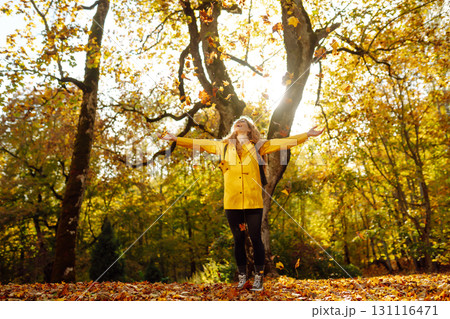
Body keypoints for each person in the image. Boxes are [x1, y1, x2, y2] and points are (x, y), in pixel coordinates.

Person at [158, 116, 324, 291]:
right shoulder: (223, 146)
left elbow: (284, 142)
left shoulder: (259, 146)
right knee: (238, 240)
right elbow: (199, 143)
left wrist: (307, 134)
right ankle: (242, 278)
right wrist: (177, 139)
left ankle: (259, 278)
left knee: (256, 239)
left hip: (253, 202)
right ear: (234, 128)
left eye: (243, 122)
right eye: (236, 122)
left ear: (249, 128)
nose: (239, 122)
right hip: (232, 202)